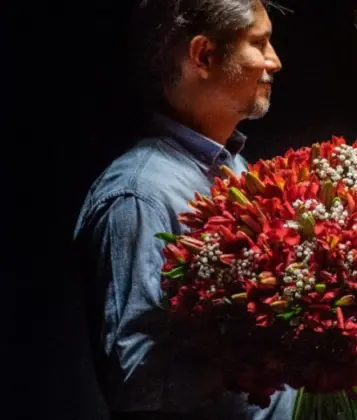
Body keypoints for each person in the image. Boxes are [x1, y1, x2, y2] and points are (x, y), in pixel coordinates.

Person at [72, 0, 295, 418]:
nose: (275, 61)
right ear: (204, 56)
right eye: (259, 43)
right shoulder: (139, 195)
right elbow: (136, 382)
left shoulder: (236, 168)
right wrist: (275, 344)